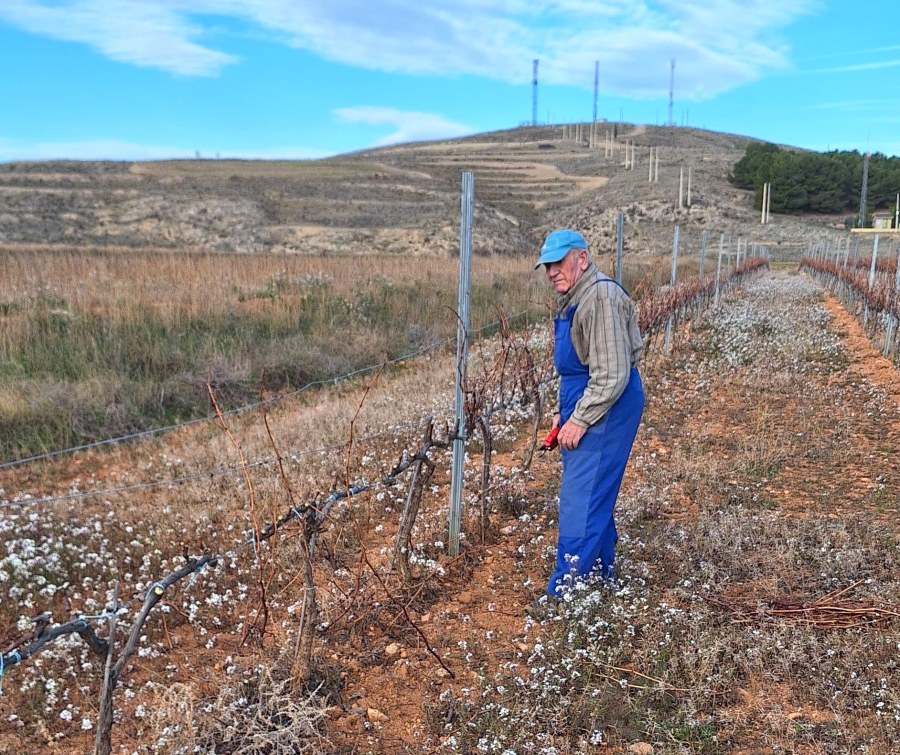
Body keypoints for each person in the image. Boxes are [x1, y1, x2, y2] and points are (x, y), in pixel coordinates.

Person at [535, 229, 644, 599]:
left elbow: (612, 374)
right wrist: (562, 412)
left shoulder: (599, 297)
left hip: (607, 407)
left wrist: (580, 418)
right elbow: (578, 367)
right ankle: (598, 576)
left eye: (558, 262)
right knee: (594, 491)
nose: (551, 271)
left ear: (582, 258)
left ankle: (569, 591)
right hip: (588, 398)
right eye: (546, 265)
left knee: (582, 497)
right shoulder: (577, 298)